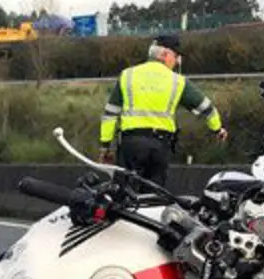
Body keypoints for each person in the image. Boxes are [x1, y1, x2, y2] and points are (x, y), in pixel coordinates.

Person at [98, 35, 229, 187]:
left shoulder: (127, 75)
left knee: (124, 195)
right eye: (175, 56)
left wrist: (105, 146)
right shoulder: (177, 81)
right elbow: (207, 108)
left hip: (130, 145)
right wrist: (217, 129)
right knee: (154, 198)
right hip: (159, 146)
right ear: (164, 54)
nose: (177, 61)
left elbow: (110, 114)